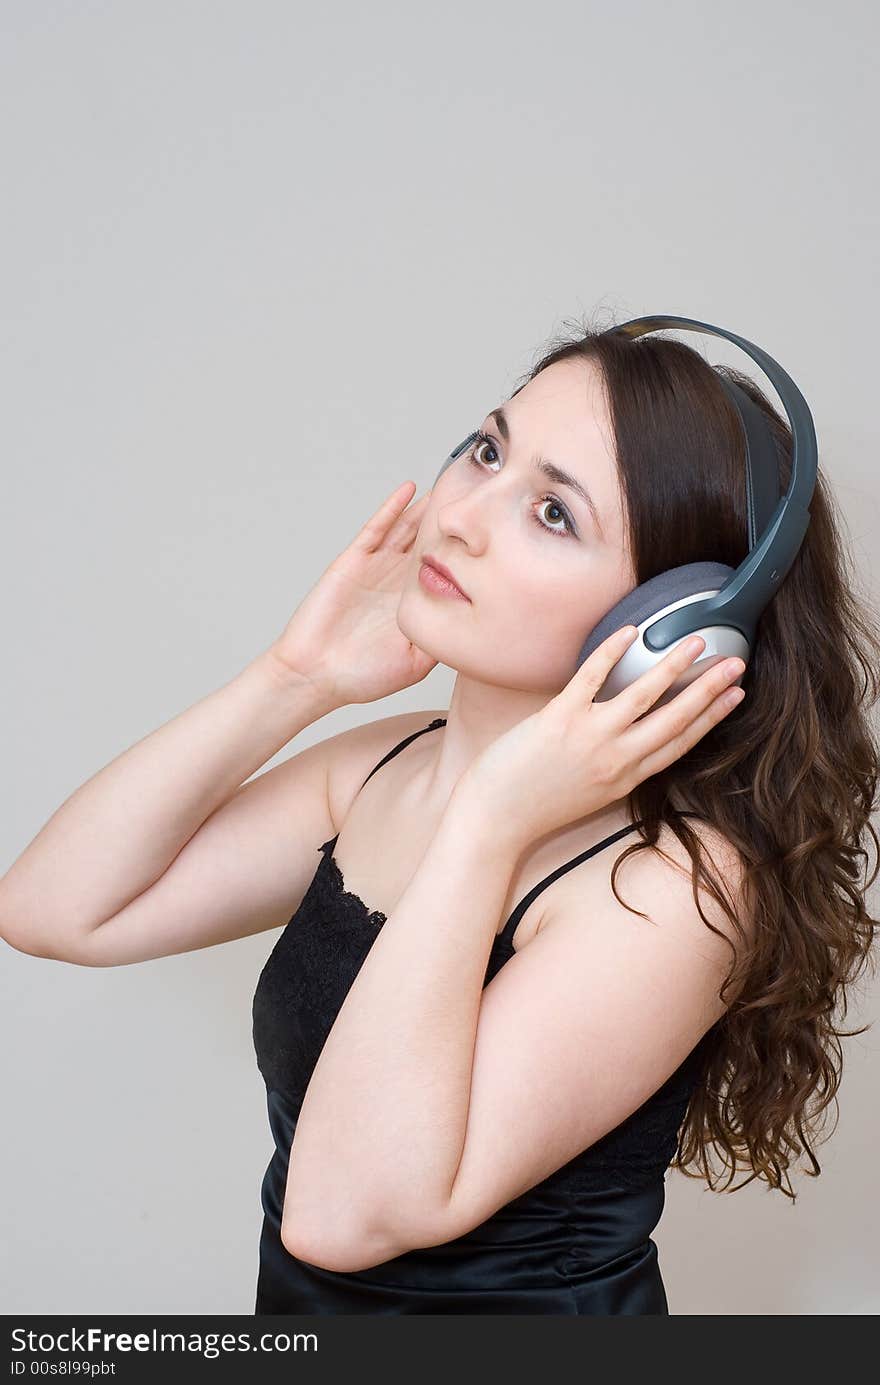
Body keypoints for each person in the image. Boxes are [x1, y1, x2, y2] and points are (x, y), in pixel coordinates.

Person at [3, 318, 878, 1316]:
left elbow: (338, 1216)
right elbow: (53, 908)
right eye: (487, 449)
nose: (462, 514)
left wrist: (490, 821)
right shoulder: (386, 763)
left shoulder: (674, 885)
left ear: (667, 625)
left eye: (552, 510)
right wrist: (294, 680)